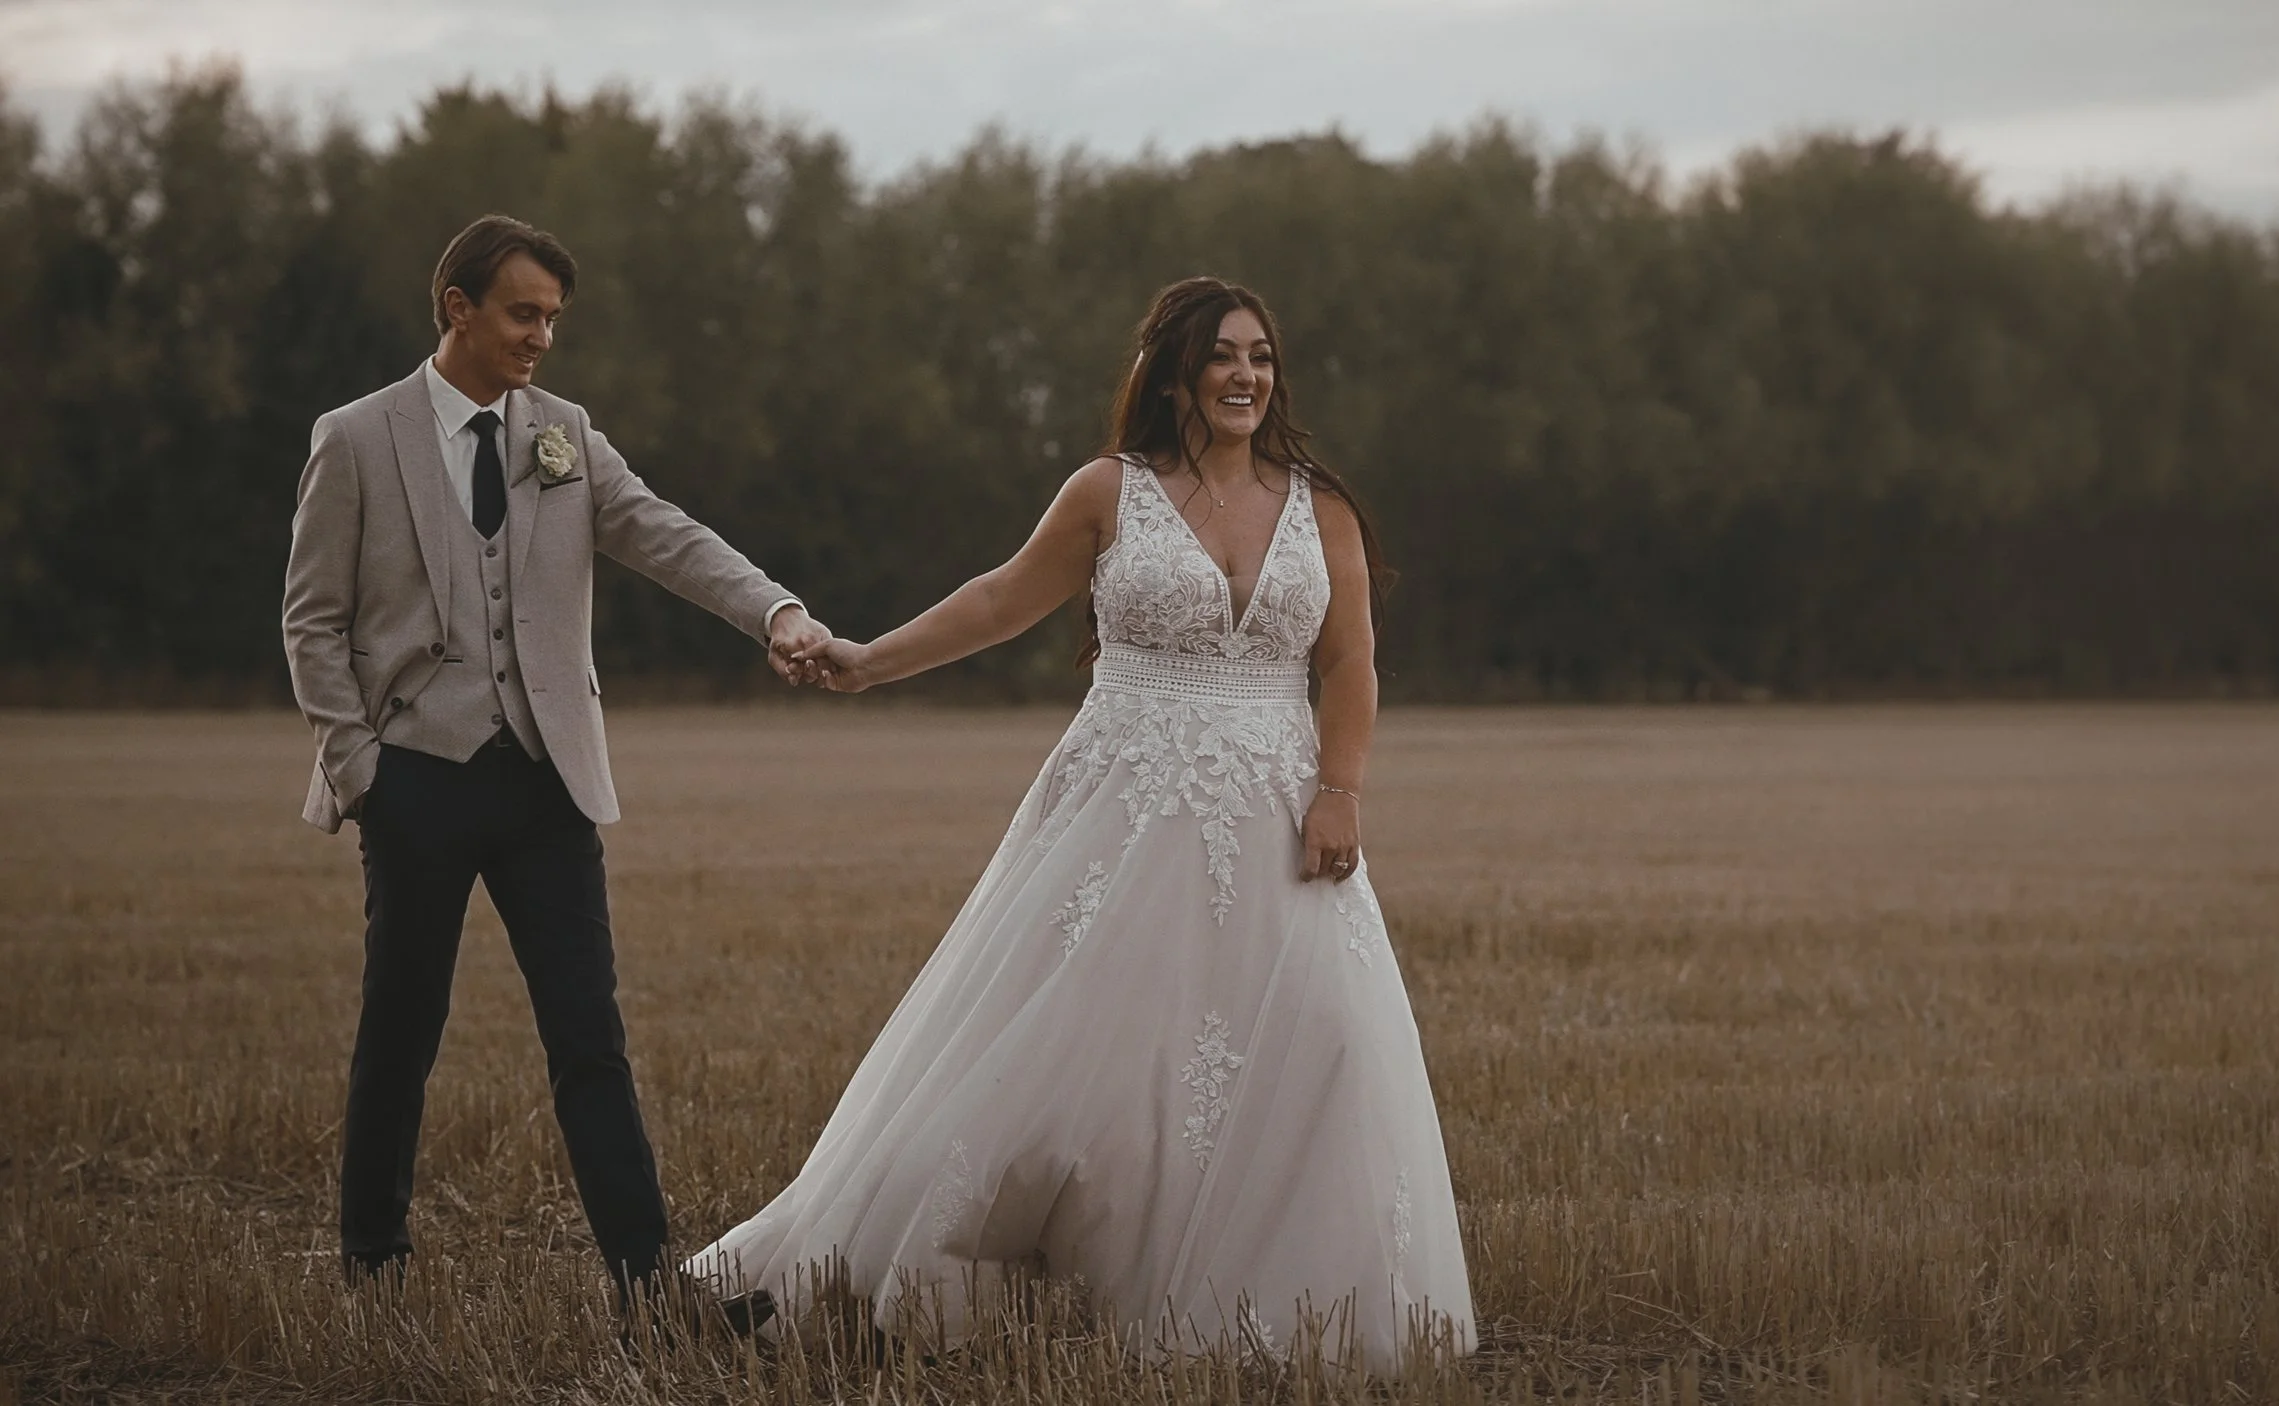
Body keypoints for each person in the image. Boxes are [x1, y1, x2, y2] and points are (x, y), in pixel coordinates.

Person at [690, 276, 1477, 1372]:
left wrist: (1339, 787)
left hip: (1279, 807)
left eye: (1261, 355)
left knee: (1318, 1046)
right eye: (1222, 355)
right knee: (1075, 1057)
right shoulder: (1109, 490)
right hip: (1123, 798)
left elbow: (1348, 659)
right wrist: (868, 661)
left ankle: (1268, 1313)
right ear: (1174, 373)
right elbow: (1001, 597)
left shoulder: (1321, 505)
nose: (1246, 374)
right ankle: (905, 1260)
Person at [280, 214, 833, 1310]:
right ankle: (373, 1259)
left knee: (590, 1032)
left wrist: (773, 608)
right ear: (459, 308)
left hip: (546, 781)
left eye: (552, 319)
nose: (541, 336)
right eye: (523, 312)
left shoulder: (566, 432)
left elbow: (662, 532)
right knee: (403, 1024)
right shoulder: (355, 437)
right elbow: (311, 620)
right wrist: (361, 771)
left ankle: (643, 1278)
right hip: (416, 777)